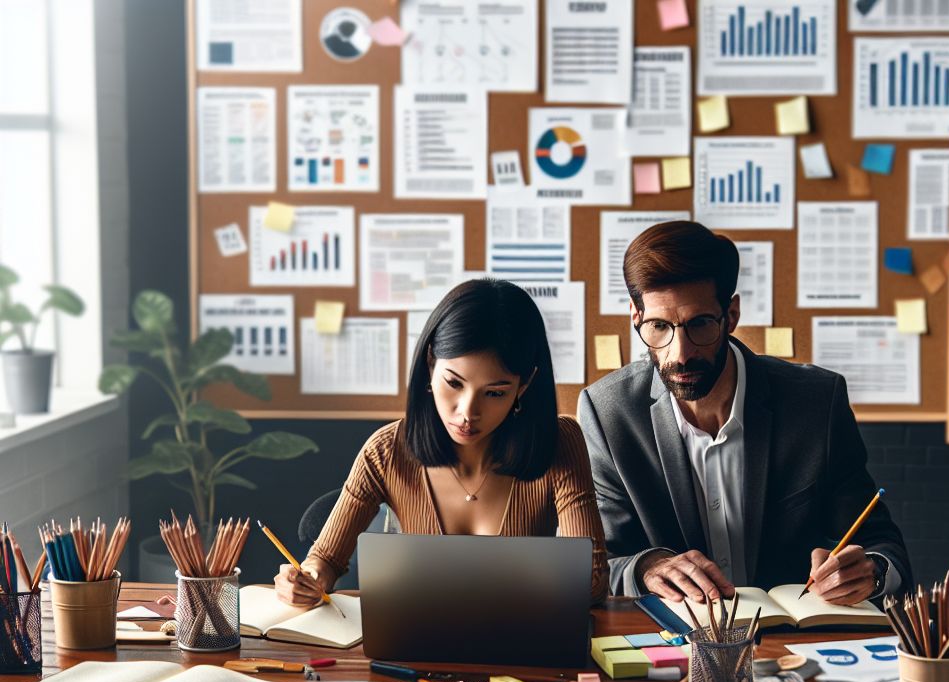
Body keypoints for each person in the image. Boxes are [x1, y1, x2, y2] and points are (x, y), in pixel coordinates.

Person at [578, 220, 911, 606]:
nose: (680, 352)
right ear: (635, 316)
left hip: (799, 645)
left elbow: (883, 545)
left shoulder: (817, 402)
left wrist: (871, 570)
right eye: (658, 327)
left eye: (700, 324)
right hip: (675, 645)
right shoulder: (608, 414)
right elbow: (598, 563)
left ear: (731, 315)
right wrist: (647, 567)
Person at [276, 278, 609, 605]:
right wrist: (308, 578)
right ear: (431, 363)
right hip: (416, 648)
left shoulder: (559, 442)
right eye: (454, 382)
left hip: (522, 650)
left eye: (495, 392)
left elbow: (592, 582)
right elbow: (324, 561)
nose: (467, 412)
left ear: (524, 386)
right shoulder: (385, 450)